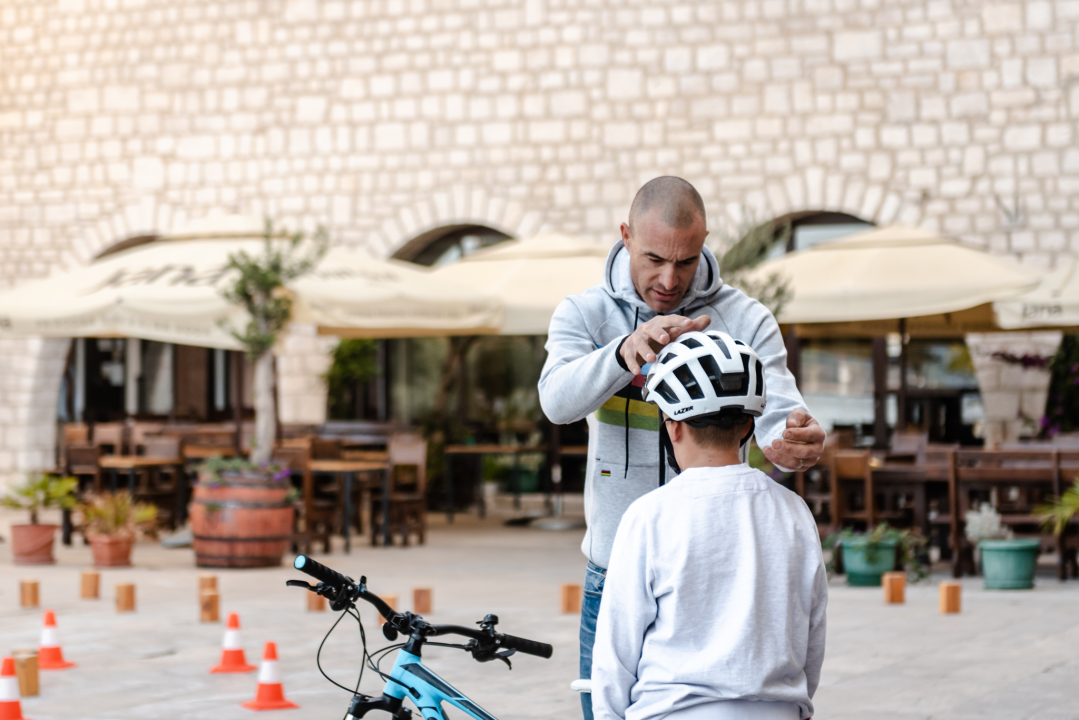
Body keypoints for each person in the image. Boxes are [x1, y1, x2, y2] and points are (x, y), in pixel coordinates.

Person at [537, 176, 825, 720]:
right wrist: (620, 354)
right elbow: (556, 402)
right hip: (615, 565)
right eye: (653, 259)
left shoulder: (746, 318)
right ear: (625, 236)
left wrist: (796, 442)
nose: (669, 279)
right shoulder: (584, 314)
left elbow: (782, 416)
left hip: (720, 563)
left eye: (687, 261)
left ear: (705, 242)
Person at [590, 331, 827, 720]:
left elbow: (617, 650)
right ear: (748, 427)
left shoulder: (649, 515)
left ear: (674, 427)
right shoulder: (795, 511)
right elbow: (811, 635)